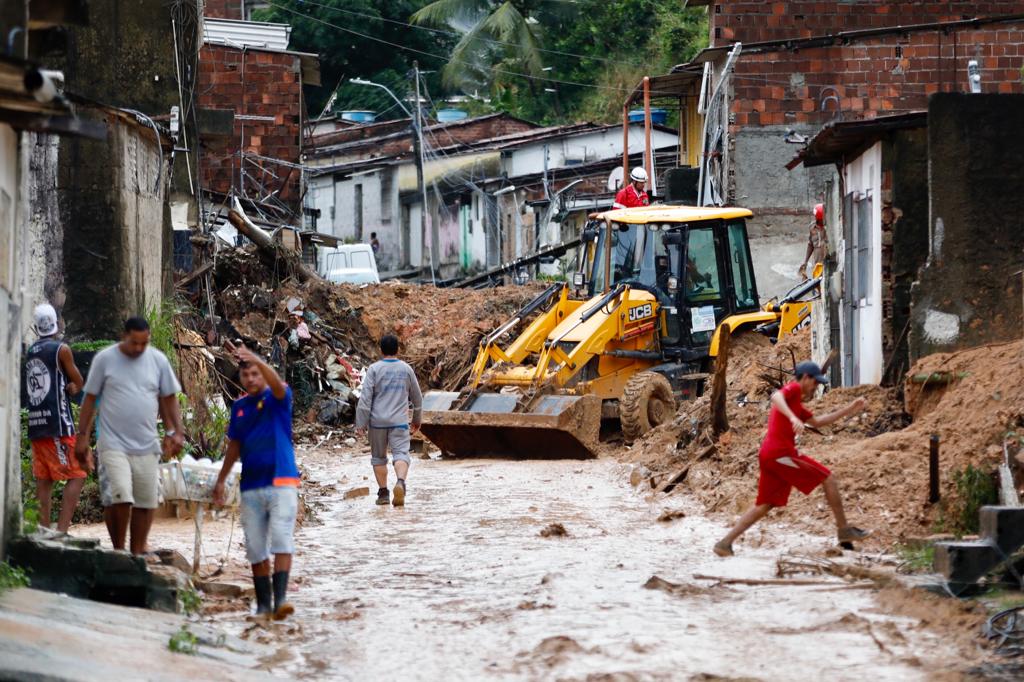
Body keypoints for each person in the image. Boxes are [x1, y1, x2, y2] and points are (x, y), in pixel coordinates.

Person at [713, 361, 871, 557]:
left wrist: (849, 409)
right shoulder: (794, 389)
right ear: (805, 378)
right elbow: (775, 396)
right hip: (781, 455)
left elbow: (818, 422)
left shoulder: (797, 404)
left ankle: (725, 543)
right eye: (815, 383)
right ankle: (843, 530)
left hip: (769, 455)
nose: (816, 387)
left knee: (765, 504)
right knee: (827, 477)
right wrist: (792, 418)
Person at [76, 317, 185, 555]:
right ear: (124, 335)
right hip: (112, 443)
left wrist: (176, 431)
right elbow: (90, 399)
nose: (138, 348)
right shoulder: (105, 359)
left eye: (143, 343)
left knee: (146, 502)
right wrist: (82, 437)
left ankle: (135, 554)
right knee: (120, 496)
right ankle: (118, 550)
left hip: (146, 444)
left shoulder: (158, 361)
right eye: (134, 342)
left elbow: (168, 397)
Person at [213, 341, 299, 621]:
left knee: (282, 539)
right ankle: (264, 604)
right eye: (246, 374)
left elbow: (276, 383)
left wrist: (258, 360)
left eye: (255, 374)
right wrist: (221, 480)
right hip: (250, 485)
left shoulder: (279, 396)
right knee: (255, 546)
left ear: (263, 374)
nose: (251, 379)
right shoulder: (239, 408)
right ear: (240, 378)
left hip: (281, 481)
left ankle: (281, 599)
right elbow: (234, 447)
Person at [23, 303, 87, 533]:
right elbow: (78, 381)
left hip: (36, 425)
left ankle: (43, 531)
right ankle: (61, 532)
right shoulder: (61, 350)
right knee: (78, 474)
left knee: (45, 479)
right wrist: (72, 388)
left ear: (36, 327)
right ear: (57, 323)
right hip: (58, 426)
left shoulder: (31, 351)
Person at [355, 334, 422, 507]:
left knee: (378, 458)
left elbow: (365, 399)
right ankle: (400, 482)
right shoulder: (406, 369)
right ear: (398, 349)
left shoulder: (374, 369)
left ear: (381, 350)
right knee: (401, 454)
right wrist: (416, 419)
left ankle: (383, 493)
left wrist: (361, 423)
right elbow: (417, 397)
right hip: (399, 421)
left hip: (377, 422)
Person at [797, 203, 826, 281]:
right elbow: (810, 245)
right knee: (817, 284)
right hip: (817, 264)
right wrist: (805, 261)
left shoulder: (828, 227)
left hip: (827, 263)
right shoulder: (812, 228)